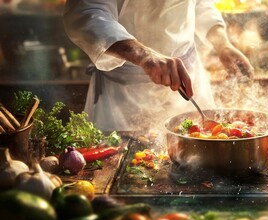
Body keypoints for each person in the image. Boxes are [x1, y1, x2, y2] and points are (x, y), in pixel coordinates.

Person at [63, 0, 254, 131]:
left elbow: (199, 3)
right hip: (124, 97)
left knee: (203, 157)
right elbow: (87, 14)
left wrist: (223, 44)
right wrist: (145, 56)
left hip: (188, 79)